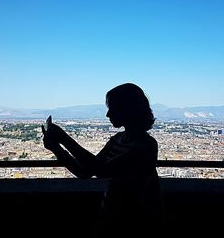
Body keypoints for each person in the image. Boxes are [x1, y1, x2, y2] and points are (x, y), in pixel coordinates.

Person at [42, 83, 164, 231]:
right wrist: (56, 148)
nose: (108, 114)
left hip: (135, 221)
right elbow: (85, 172)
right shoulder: (122, 140)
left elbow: (99, 170)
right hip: (113, 212)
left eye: (112, 108)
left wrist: (64, 140)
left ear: (127, 110)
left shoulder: (145, 146)